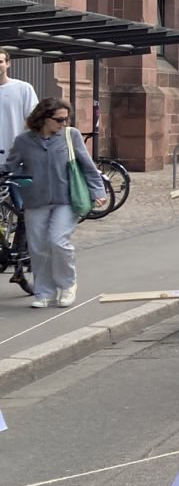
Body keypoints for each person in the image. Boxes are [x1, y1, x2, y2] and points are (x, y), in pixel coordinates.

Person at [4, 98, 107, 307]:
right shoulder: (24, 141)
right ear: (43, 118)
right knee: (38, 247)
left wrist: (97, 191)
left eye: (66, 119)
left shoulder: (71, 136)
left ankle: (68, 284)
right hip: (35, 199)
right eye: (59, 119)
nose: (64, 124)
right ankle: (44, 292)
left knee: (58, 241)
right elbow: (10, 165)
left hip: (66, 199)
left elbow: (87, 165)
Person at [0, 50, 39, 212]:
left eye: (0, 61)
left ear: (8, 63)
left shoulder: (23, 88)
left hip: (15, 159)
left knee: (21, 206)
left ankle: (24, 235)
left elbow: (35, 121)